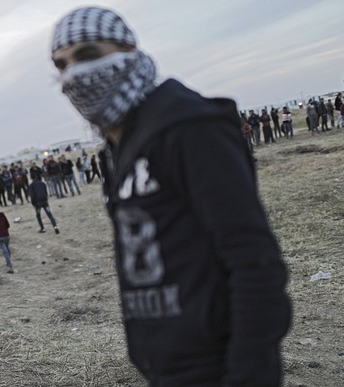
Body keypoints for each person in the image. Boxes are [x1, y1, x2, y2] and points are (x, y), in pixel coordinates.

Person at [51, 6, 291, 386]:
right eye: (61, 65)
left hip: (217, 363)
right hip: (166, 365)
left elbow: (254, 262)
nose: (74, 75)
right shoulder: (118, 148)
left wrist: (249, 372)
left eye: (89, 55)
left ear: (129, 48)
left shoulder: (188, 126)